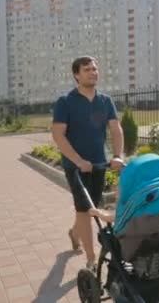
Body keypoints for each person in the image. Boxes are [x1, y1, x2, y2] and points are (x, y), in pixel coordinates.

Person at [52, 56, 124, 270]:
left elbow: (115, 129)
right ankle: (91, 259)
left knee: (89, 207)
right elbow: (58, 135)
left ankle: (75, 233)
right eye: (87, 69)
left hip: (99, 164)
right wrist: (78, 160)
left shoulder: (105, 101)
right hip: (75, 167)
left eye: (95, 69)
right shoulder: (65, 102)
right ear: (76, 75)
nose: (93, 72)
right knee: (85, 210)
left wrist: (118, 155)